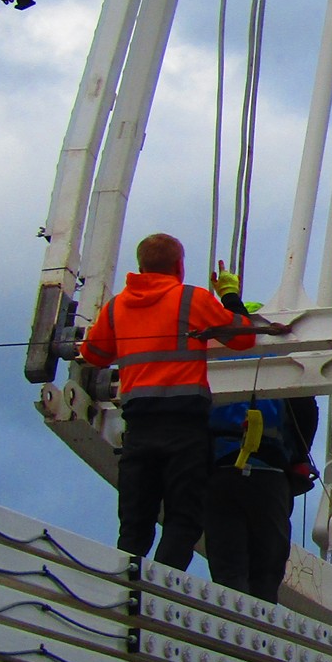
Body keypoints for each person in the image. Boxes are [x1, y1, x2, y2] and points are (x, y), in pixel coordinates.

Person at [79, 234, 263, 573]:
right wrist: (229, 295)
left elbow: (93, 355)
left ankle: (126, 589)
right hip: (184, 429)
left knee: (134, 524)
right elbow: (244, 337)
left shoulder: (116, 307)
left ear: (140, 267)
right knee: (184, 519)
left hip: (138, 429)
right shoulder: (190, 299)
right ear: (179, 266)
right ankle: (161, 590)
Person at [205, 393, 319, 603]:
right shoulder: (280, 366)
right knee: (267, 568)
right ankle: (259, 624)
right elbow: (305, 408)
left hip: (222, 473)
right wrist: (300, 457)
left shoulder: (217, 365)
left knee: (228, 568)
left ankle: (234, 620)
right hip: (269, 474)